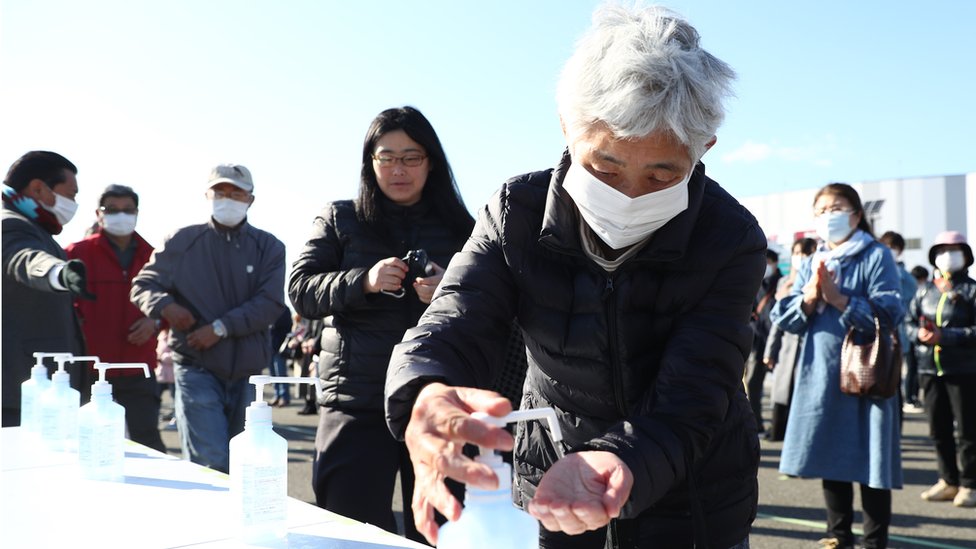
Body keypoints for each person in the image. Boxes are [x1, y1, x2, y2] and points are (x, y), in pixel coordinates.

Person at [384, 6, 763, 548]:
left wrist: (623, 456)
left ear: (703, 151)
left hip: (693, 493)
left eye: (663, 174)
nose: (629, 194)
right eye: (605, 169)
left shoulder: (729, 236)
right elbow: (457, 315)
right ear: (567, 125)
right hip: (556, 479)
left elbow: (698, 389)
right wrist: (425, 391)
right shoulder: (518, 209)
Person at [288, 106, 475, 542]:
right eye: (386, 157)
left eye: (411, 157)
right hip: (355, 398)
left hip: (436, 402)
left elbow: (497, 307)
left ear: (432, 161)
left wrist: (450, 287)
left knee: (441, 533)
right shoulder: (340, 217)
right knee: (348, 530)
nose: (398, 169)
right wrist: (363, 281)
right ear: (369, 163)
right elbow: (300, 289)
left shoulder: (463, 227)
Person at [770, 183, 903, 549]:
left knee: (872, 456)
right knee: (830, 450)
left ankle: (875, 539)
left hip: (866, 370)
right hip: (822, 371)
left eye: (837, 207)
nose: (829, 215)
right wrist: (811, 299)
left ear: (857, 215)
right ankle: (837, 534)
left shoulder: (876, 255)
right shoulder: (814, 259)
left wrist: (840, 300)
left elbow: (891, 310)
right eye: (822, 209)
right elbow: (785, 317)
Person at [130, 164, 286, 473]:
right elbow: (143, 285)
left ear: (250, 199)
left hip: (248, 372)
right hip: (196, 365)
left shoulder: (269, 247)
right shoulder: (181, 241)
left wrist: (220, 328)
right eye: (220, 192)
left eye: (236, 193)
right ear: (207, 196)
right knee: (209, 463)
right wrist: (165, 307)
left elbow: (270, 303)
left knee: (247, 464)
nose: (227, 198)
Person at [65, 184, 166, 452]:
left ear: (137, 213)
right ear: (99, 213)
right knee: (90, 443)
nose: (121, 215)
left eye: (127, 210)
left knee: (148, 441)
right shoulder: (77, 254)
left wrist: (155, 321)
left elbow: (175, 303)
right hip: (90, 371)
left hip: (138, 368)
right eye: (112, 210)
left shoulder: (154, 256)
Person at [2, 151, 89, 426]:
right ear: (38, 187)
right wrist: (57, 273)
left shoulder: (37, 228)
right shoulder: (10, 224)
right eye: (71, 194)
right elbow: (23, 259)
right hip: (18, 392)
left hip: (36, 390)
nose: (73, 203)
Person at [906, 230, 976, 508]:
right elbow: (909, 322)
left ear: (965, 255)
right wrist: (919, 336)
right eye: (942, 249)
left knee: (969, 431)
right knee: (938, 429)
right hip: (928, 369)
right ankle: (948, 480)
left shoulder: (972, 290)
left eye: (954, 249)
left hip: (964, 371)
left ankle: (970, 484)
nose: (948, 254)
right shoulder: (925, 290)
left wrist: (946, 337)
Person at [762, 237, 817, 441]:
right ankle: (779, 434)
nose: (799, 258)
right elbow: (777, 322)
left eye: (804, 253)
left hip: (808, 348)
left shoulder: (816, 278)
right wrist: (771, 351)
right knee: (782, 394)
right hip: (787, 346)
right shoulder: (784, 283)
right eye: (796, 253)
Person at [878, 231, 922, 413]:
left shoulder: (908, 279)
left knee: (893, 384)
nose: (890, 251)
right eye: (887, 246)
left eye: (894, 248)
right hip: (875, 337)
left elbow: (911, 310)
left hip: (899, 337)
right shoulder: (873, 269)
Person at [745, 248, 783, 434]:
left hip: (779, 342)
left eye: (767, 262)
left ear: (774, 262)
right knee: (753, 384)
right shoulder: (752, 281)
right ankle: (756, 424)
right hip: (757, 340)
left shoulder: (784, 283)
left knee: (782, 386)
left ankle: (779, 426)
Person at [269, 308, 293, 407]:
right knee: (273, 374)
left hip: (280, 347)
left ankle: (284, 397)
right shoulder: (269, 308)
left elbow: (287, 326)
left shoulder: (284, 310)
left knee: (281, 373)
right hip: (270, 347)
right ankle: (277, 395)